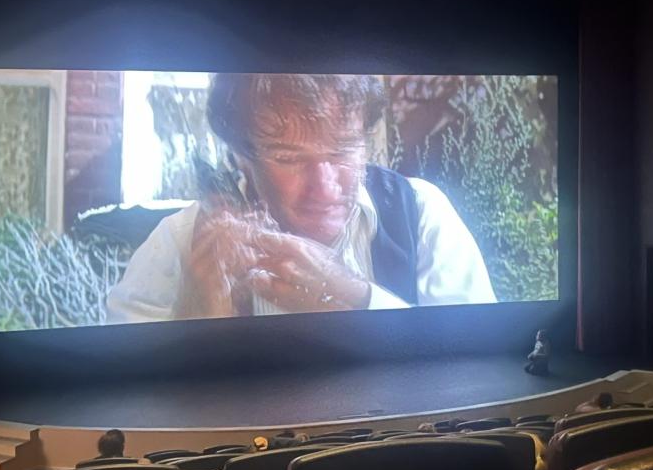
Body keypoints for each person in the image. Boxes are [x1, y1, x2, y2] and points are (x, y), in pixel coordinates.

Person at [106, 74, 496, 322]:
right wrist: (198, 318)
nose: (324, 189)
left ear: (367, 139)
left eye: (342, 151)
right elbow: (119, 401)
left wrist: (357, 299)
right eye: (288, 158)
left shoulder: (421, 214)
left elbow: (484, 371)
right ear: (242, 156)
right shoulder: (180, 242)